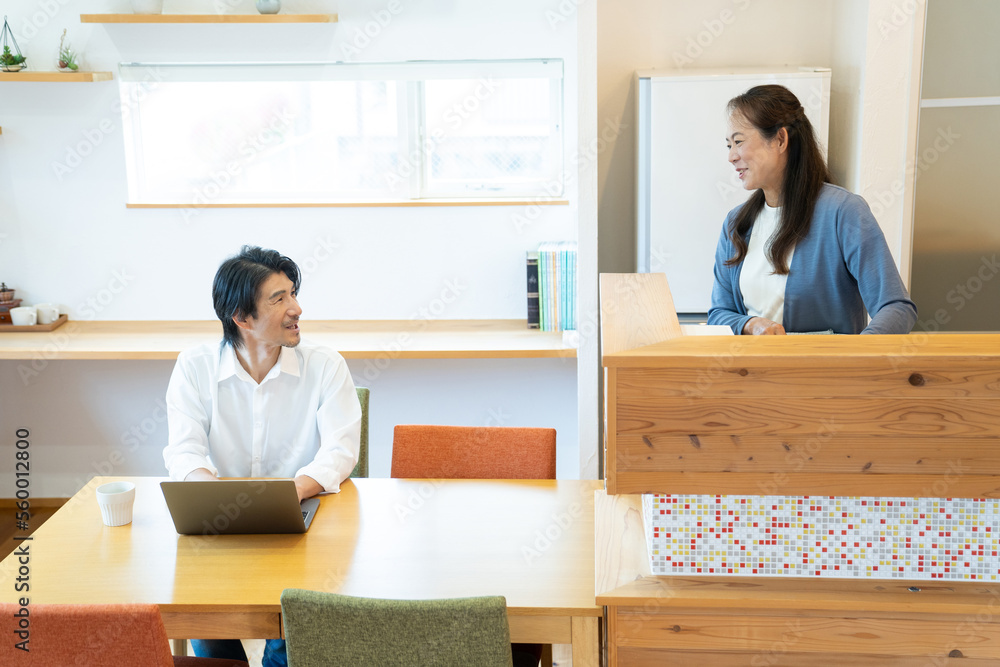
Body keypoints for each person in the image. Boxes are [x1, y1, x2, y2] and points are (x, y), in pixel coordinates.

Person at [163, 245, 361, 667]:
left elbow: (341, 450)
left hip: (303, 518)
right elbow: (183, 449)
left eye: (294, 294)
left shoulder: (326, 365)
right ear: (242, 317)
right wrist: (213, 498)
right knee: (205, 619)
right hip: (219, 523)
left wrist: (292, 491)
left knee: (294, 623)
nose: (297, 309)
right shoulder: (194, 367)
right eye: (279, 299)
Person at [707, 84, 917, 335]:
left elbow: (896, 307)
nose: (732, 156)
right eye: (729, 145)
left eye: (739, 142)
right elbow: (719, 314)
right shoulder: (736, 224)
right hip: (754, 362)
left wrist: (857, 352)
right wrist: (750, 324)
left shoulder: (843, 212)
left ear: (780, 140)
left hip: (825, 362)